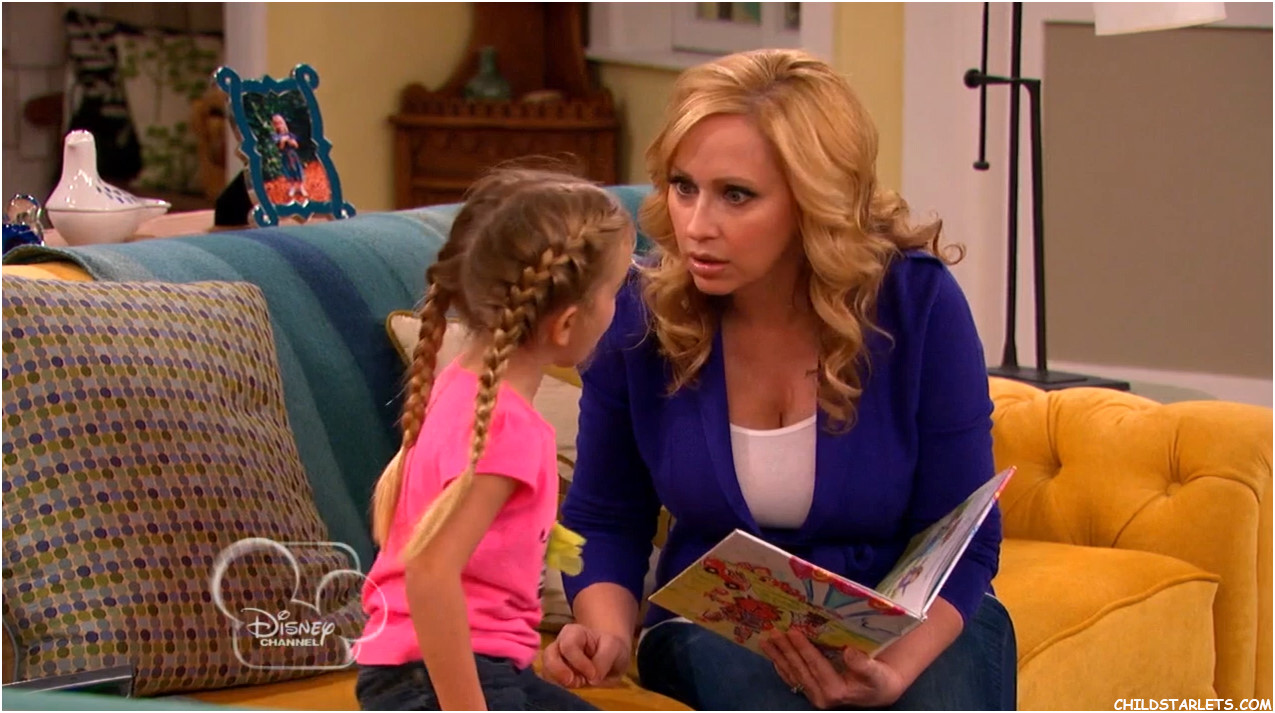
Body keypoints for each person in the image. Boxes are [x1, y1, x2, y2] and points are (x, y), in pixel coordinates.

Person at [543, 48, 1017, 711]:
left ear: (812, 200)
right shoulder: (639, 316)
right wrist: (606, 633)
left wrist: (892, 671)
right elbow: (606, 517)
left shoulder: (917, 306)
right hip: (719, 631)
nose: (696, 226)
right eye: (683, 187)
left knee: (948, 673)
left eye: (736, 195)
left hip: (900, 623)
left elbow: (965, 537)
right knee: (746, 673)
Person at [354, 167, 636, 711]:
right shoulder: (508, 431)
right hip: (439, 676)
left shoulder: (462, 383)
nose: (618, 308)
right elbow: (429, 573)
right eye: (614, 291)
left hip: (436, 667)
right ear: (566, 323)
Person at [269, 113, 308, 203]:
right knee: (289, 172)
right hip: (285, 156)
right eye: (276, 123)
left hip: (294, 156)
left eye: (280, 122)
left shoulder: (289, 134)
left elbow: (296, 145)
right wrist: (282, 142)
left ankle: (301, 187)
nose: (279, 125)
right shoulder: (275, 136)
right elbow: (280, 148)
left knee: (298, 170)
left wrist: (291, 142)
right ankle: (292, 187)